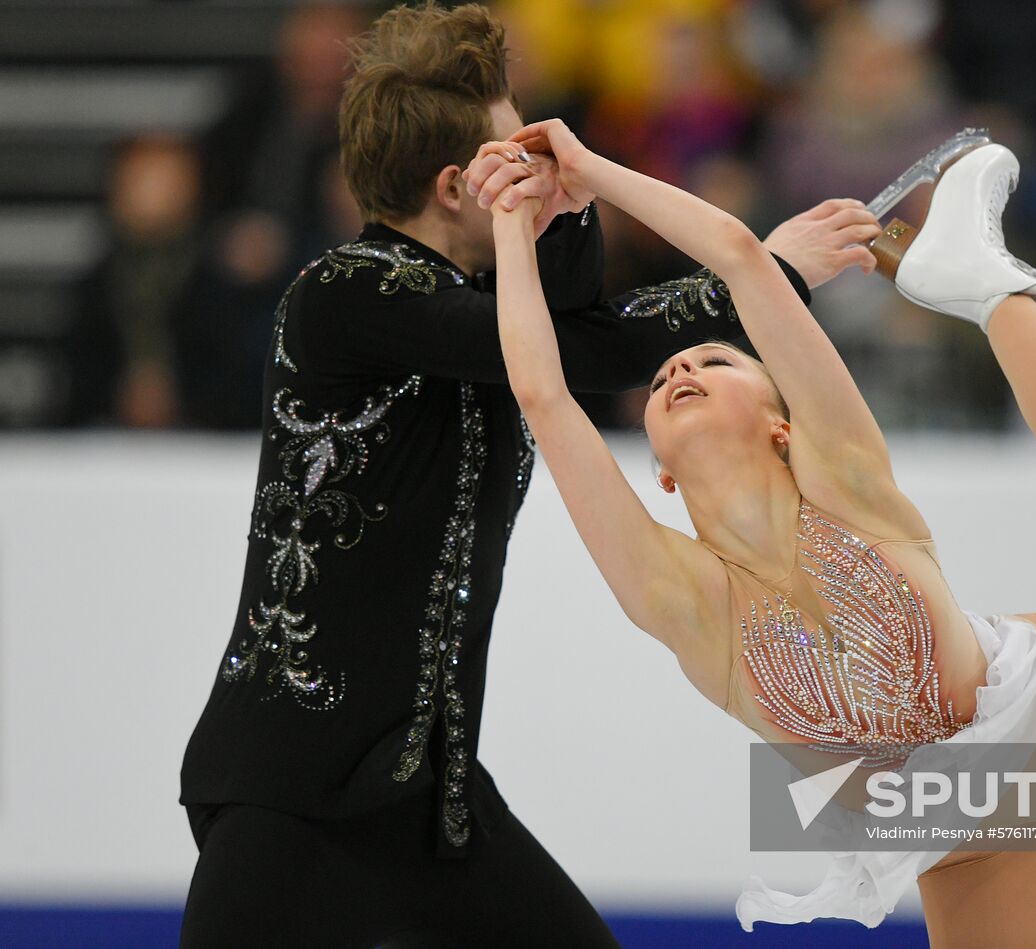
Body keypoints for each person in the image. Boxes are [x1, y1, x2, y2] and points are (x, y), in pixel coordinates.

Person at [176, 4, 877, 947]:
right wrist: (766, 273)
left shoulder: (485, 303)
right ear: (456, 187)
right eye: (517, 158)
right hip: (292, 795)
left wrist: (579, 208)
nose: (539, 171)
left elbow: (577, 317)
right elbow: (576, 349)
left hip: (432, 805)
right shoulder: (343, 292)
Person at [480, 119, 1036, 942]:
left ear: (783, 424)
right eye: (660, 380)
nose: (681, 365)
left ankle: (989, 289)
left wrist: (590, 169)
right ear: (661, 471)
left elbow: (740, 256)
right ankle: (981, 284)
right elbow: (543, 394)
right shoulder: (681, 596)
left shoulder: (845, 481)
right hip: (954, 837)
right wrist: (508, 226)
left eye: (715, 361)